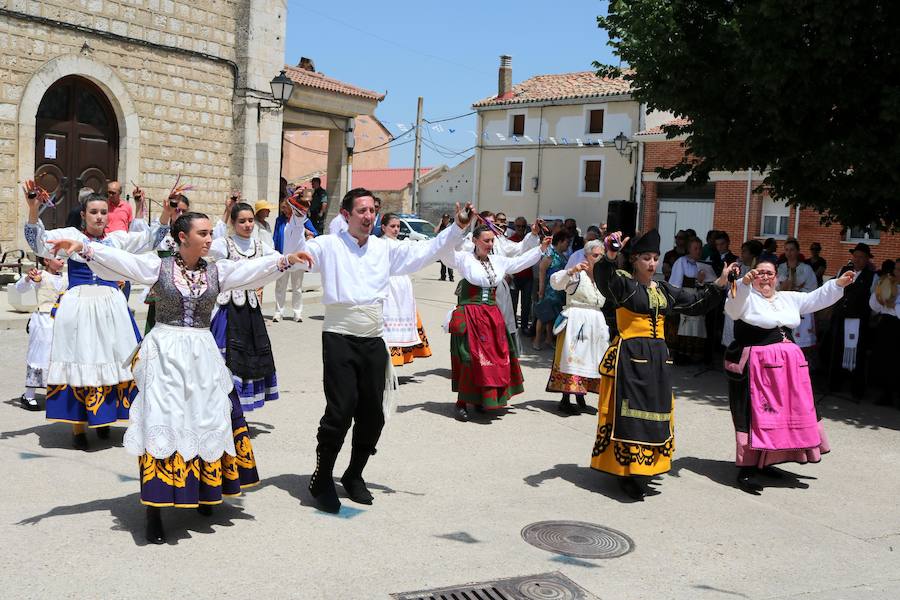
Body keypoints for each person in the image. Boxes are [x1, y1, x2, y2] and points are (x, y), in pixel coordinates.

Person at [48, 212, 312, 543]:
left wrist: (287, 260)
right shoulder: (158, 267)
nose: (209, 239)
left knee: (204, 420)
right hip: (165, 352)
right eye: (202, 233)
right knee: (165, 421)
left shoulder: (218, 270)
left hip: (202, 353)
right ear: (183, 237)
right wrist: (84, 248)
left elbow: (251, 271)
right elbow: (121, 261)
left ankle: (204, 490)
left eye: (209, 233)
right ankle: (154, 510)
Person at [290, 188, 471, 514]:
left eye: (373, 209)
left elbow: (428, 250)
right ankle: (322, 478)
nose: (369, 215)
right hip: (340, 334)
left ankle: (354, 474)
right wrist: (298, 216)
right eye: (361, 210)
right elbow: (297, 254)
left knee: (375, 412)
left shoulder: (384, 249)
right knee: (341, 409)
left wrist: (457, 227)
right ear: (346, 215)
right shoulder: (328, 246)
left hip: (374, 337)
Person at [591, 229, 730, 500]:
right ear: (634, 260)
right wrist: (609, 254)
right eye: (646, 258)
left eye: (655, 258)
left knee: (657, 411)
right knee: (630, 415)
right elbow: (604, 279)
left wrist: (720, 283)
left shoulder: (664, 289)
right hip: (630, 356)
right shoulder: (624, 285)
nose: (652, 263)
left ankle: (647, 467)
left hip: (657, 359)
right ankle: (628, 470)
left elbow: (695, 302)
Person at [23, 186, 166, 449]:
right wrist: (33, 208)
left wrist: (166, 213)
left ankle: (105, 419)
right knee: (82, 358)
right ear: (84, 215)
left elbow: (149, 240)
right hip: (79, 306)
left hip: (111, 305)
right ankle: (79, 425)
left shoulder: (116, 240)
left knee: (113, 359)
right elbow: (38, 243)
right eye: (94, 212)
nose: (99, 217)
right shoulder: (70, 236)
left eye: (103, 212)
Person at [724, 261, 855, 494]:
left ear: (777, 277)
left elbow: (816, 298)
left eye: (770, 273)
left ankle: (767, 462)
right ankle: (746, 468)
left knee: (784, 416)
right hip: (758, 369)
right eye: (760, 273)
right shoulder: (744, 296)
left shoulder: (788, 298)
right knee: (756, 417)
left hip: (789, 369)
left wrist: (838, 283)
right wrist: (742, 284)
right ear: (752, 277)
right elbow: (733, 308)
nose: (765, 278)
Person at [443, 225, 549, 421]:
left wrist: (540, 249)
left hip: (492, 316)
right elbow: (446, 252)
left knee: (492, 360)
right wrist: (459, 226)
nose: (490, 244)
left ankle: (483, 399)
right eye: (486, 240)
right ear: (475, 240)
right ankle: (461, 402)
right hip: (471, 315)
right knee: (469, 358)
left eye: (492, 241)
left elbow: (519, 262)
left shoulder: (498, 261)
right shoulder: (464, 259)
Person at [208, 201, 280, 412]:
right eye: (242, 221)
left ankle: (238, 409)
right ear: (233, 222)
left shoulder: (260, 246)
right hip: (227, 309)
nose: (248, 225)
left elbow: (277, 259)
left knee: (249, 354)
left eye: (250, 220)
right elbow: (206, 244)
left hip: (250, 309)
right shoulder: (225, 244)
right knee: (225, 355)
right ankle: (218, 405)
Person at [545, 240, 609, 414]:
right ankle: (565, 398)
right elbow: (555, 282)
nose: (598, 258)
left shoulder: (602, 278)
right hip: (577, 319)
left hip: (596, 321)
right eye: (595, 255)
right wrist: (571, 270)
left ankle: (581, 395)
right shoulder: (577, 275)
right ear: (586, 256)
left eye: (601, 255)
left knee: (592, 358)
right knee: (573, 357)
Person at [133, 192, 190, 333]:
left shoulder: (192, 233)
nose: (180, 213)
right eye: (177, 210)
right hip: (164, 284)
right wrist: (139, 205)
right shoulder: (163, 232)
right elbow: (144, 236)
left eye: (184, 211)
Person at [15, 257, 67, 411]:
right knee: (39, 356)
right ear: (47, 261)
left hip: (62, 320)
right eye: (58, 259)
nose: (62, 261)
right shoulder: (40, 275)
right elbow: (20, 289)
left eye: (63, 258)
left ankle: (58, 394)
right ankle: (29, 395)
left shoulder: (67, 277)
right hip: (43, 319)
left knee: (60, 356)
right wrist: (27, 278)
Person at [380, 213, 432, 366]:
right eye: (392, 226)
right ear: (383, 227)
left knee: (405, 316)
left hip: (403, 284)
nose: (396, 229)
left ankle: (399, 358)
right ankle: (387, 363)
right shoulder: (380, 244)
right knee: (389, 321)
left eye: (398, 226)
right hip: (388, 285)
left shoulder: (402, 243)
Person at [827, 242, 876, 401]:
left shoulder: (872, 277)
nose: (857, 260)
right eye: (856, 256)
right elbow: (834, 289)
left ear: (867, 259)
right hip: (841, 317)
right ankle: (834, 384)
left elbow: (874, 300)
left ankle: (857, 389)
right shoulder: (843, 271)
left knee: (858, 353)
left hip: (859, 320)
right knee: (837, 350)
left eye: (861, 257)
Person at [273, 192, 315, 322]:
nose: (284, 210)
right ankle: (278, 312)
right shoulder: (279, 221)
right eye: (283, 208)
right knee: (281, 286)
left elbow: (314, 232)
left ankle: (297, 312)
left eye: (285, 207)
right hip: (283, 257)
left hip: (298, 258)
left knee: (297, 287)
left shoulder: (300, 218)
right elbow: (275, 237)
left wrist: (308, 233)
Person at [669, 237, 712, 363]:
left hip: (699, 300)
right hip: (685, 299)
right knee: (685, 326)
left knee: (697, 326)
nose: (698, 251)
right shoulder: (682, 262)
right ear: (689, 249)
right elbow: (675, 283)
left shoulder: (704, 264)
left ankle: (695, 356)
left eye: (700, 248)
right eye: (695, 248)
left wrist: (702, 282)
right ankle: (682, 356)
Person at [869, 259, 900, 408]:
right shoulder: (887, 282)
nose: (897, 273)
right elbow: (874, 306)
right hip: (886, 324)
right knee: (885, 359)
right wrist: (878, 292)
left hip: (898, 324)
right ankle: (886, 394)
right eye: (897, 269)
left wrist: (893, 306)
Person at [777, 239, 819, 349]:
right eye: (786, 250)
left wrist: (798, 290)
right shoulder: (781, 268)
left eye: (792, 250)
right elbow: (776, 287)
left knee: (802, 342)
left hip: (801, 305)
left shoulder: (806, 269)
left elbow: (812, 288)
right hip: (784, 304)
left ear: (797, 251)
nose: (789, 253)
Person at [532, 231, 570, 350]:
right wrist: (541, 289)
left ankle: (549, 339)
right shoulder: (550, 254)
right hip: (549, 290)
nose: (568, 245)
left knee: (553, 316)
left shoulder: (563, 256)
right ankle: (537, 341)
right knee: (543, 316)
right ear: (560, 241)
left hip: (559, 292)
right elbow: (542, 271)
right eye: (566, 242)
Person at [722, 240, 762, 347]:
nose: (742, 254)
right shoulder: (738, 267)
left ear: (752, 254)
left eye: (744, 251)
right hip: (735, 307)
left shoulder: (760, 270)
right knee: (731, 341)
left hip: (750, 310)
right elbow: (730, 288)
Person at [510, 217, 534, 329]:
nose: (520, 228)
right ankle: (513, 326)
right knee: (512, 304)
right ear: (514, 226)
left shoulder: (529, 240)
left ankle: (524, 326)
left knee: (526, 304)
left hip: (527, 277)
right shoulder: (510, 240)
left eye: (523, 226)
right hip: (514, 277)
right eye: (518, 226)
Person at [437, 214, 455, 282]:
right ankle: (443, 277)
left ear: (449, 219)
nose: (445, 220)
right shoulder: (441, 226)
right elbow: (435, 231)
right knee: (443, 262)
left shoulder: (451, 226)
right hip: (443, 246)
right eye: (444, 218)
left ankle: (451, 277)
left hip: (449, 246)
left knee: (449, 262)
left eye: (446, 218)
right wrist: (440, 223)